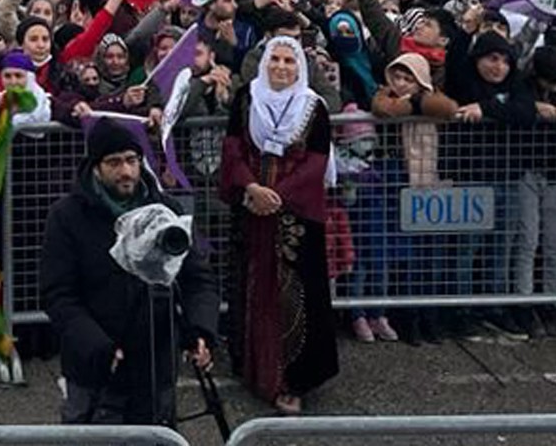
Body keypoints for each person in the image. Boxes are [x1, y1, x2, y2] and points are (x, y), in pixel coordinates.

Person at [40, 116, 218, 426]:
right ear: (96, 167)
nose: (126, 171)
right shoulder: (66, 216)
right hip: (95, 364)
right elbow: (58, 295)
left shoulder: (167, 210)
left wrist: (201, 330)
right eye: (114, 162)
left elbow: (197, 279)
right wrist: (97, 346)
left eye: (132, 160)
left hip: (155, 361)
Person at [219, 34, 338, 415]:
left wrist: (278, 195)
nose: (281, 68)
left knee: (294, 295)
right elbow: (233, 148)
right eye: (276, 60)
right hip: (252, 210)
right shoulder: (246, 98)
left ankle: (294, 379)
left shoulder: (312, 109)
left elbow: (316, 163)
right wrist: (251, 187)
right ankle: (255, 368)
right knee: (253, 287)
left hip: (294, 218)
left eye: (289, 62)